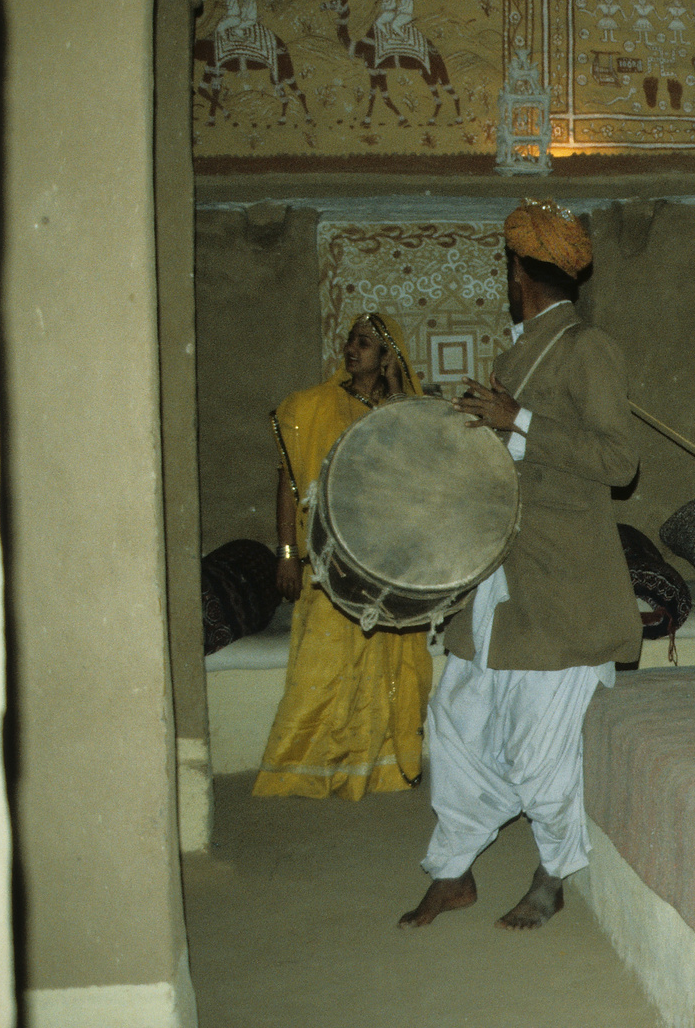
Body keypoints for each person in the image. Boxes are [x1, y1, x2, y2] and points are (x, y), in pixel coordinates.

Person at [399, 199, 641, 931]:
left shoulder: (588, 349)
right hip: (503, 575)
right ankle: (454, 870)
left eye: (508, 269)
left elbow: (618, 460)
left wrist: (520, 421)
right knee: (456, 721)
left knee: (542, 750)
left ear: (517, 273)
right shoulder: (516, 352)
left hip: (563, 581)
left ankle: (552, 872)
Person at [255, 312, 432, 800]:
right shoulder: (310, 408)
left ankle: (379, 769)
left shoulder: (406, 412)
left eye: (366, 343)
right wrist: (288, 553)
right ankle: (304, 770)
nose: (351, 349)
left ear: (388, 356)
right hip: (328, 565)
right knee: (321, 666)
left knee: (389, 669)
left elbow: (425, 478)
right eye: (351, 340)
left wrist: (397, 396)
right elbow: (289, 484)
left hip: (389, 567)